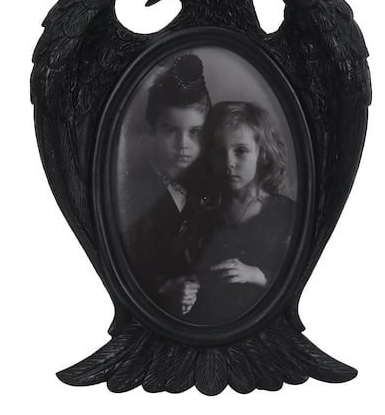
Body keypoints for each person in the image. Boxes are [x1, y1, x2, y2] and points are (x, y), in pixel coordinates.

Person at [183, 101, 297, 325]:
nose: (229, 163)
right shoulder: (203, 211)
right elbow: (191, 268)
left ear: (263, 154)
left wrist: (255, 274)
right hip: (208, 322)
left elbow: (295, 279)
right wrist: (188, 289)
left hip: (260, 324)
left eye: (241, 151)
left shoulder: (285, 213)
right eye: (219, 152)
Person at [122, 53, 211, 316]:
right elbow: (128, 262)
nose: (183, 145)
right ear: (153, 130)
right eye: (170, 130)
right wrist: (163, 286)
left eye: (195, 132)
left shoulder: (207, 185)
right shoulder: (133, 191)